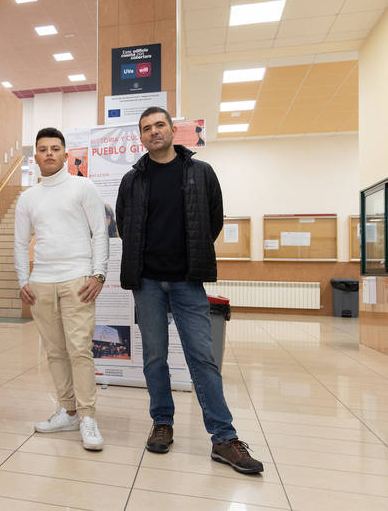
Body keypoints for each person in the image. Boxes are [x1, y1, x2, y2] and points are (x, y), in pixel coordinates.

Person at [115, 106, 263, 474]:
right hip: (147, 283)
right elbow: (124, 223)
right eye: (146, 128)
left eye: (159, 125)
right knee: (154, 358)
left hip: (187, 280)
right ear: (141, 136)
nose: (153, 132)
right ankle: (162, 422)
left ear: (172, 130)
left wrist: (190, 256)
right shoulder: (132, 180)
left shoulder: (200, 172)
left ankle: (224, 438)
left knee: (203, 359)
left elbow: (212, 221)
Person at [14, 127, 109, 451]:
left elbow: (100, 232)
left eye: (56, 148)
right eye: (43, 149)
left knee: (79, 348)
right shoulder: (28, 198)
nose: (50, 153)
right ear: (36, 156)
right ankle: (68, 411)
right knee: (54, 352)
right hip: (41, 283)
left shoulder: (83, 187)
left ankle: (87, 417)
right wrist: (23, 280)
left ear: (66, 155)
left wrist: (98, 274)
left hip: (77, 280)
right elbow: (20, 241)